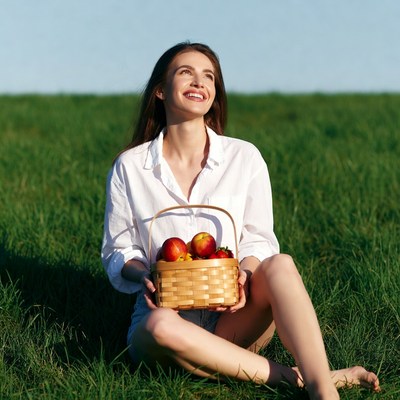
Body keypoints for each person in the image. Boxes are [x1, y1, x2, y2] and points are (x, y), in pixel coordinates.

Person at [101, 42, 380, 399]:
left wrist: (245, 273)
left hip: (235, 314)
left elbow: (258, 238)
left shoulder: (244, 157)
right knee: (159, 327)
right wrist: (145, 275)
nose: (198, 81)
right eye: (185, 72)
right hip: (165, 320)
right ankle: (307, 376)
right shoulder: (130, 166)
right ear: (159, 89)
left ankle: (324, 391)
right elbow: (118, 248)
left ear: (214, 93)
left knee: (280, 264)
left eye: (208, 76)